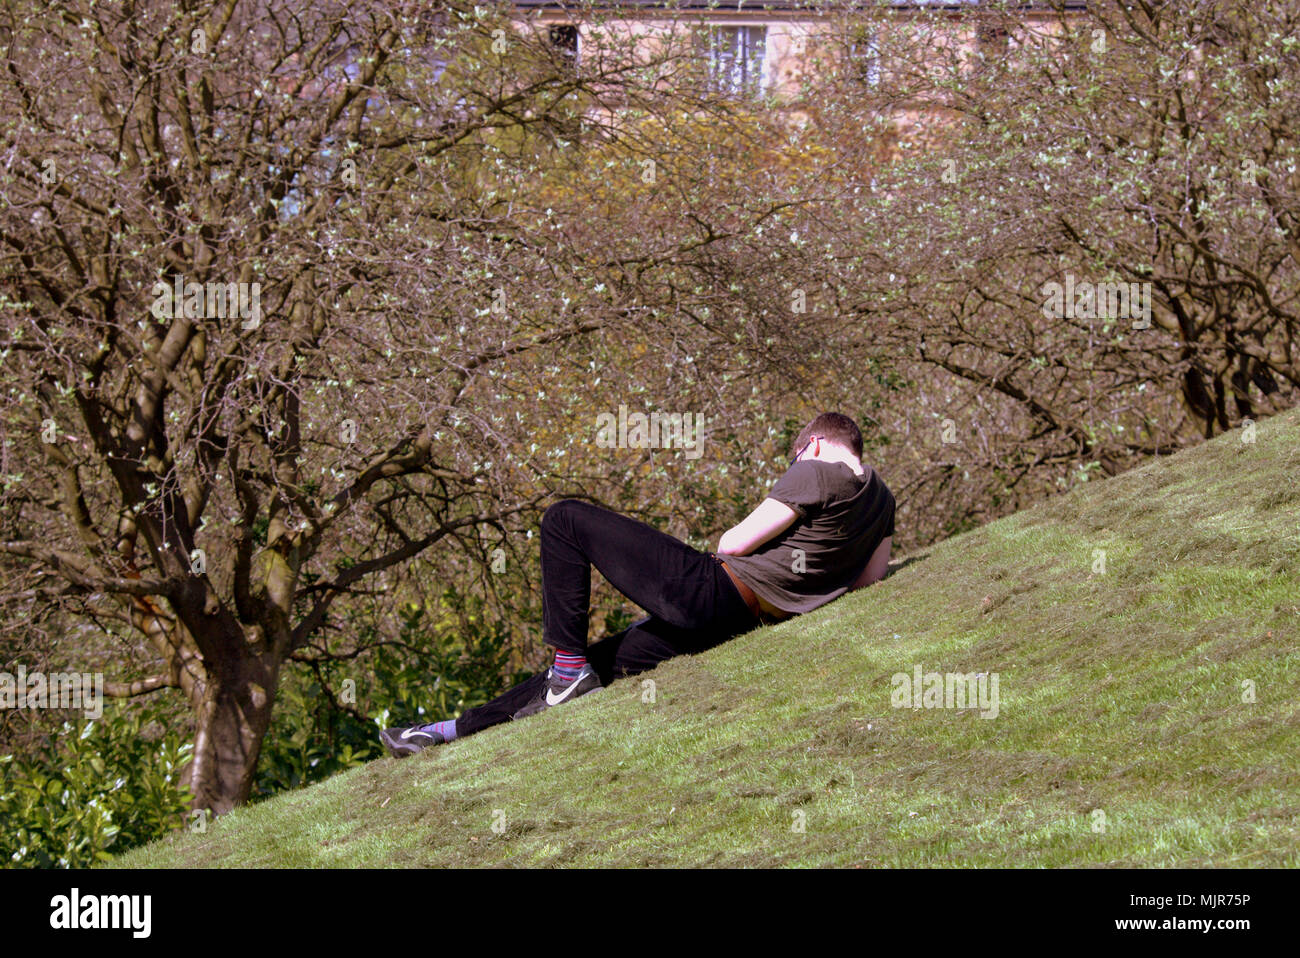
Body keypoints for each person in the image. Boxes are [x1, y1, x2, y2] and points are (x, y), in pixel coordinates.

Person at [379, 411, 896, 757]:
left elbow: (734, 543)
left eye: (796, 455)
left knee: (564, 519)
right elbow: (869, 581)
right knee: (595, 665)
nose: (793, 465)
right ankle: (445, 733)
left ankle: (565, 673)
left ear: (815, 443)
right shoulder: (882, 500)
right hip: (739, 622)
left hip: (714, 591)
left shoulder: (818, 470)